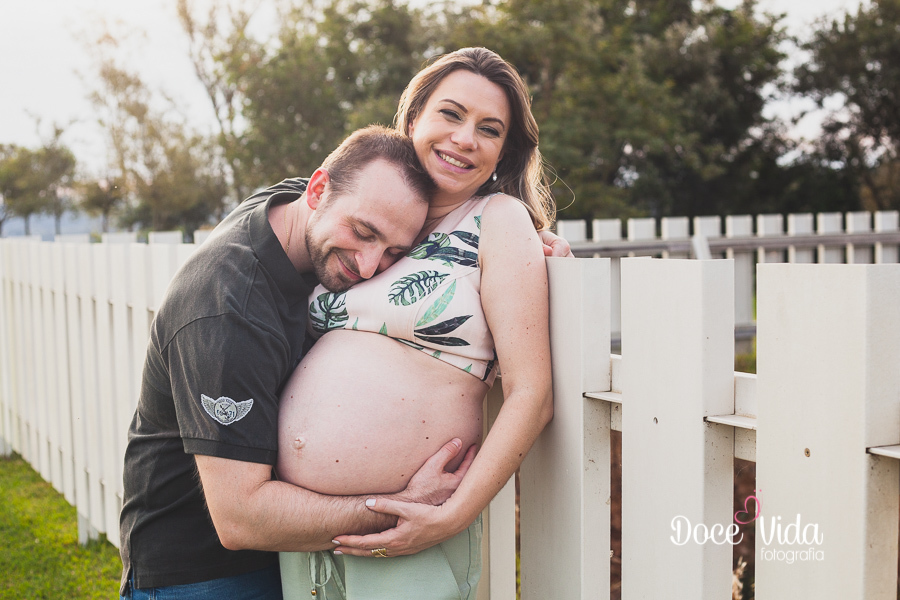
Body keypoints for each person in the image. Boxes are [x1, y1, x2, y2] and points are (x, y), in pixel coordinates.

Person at [117, 126, 477, 600]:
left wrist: (521, 238)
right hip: (201, 575)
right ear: (317, 189)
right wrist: (402, 507)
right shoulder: (229, 309)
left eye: (393, 252)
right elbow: (241, 519)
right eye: (364, 233)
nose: (369, 266)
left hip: (284, 557)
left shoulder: (292, 207)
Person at [276, 47, 556, 599]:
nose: (465, 138)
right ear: (413, 120)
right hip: (304, 529)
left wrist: (452, 516)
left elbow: (532, 393)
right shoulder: (371, 213)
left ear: (503, 152)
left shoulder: (497, 221)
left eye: (489, 129)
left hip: (411, 529)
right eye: (450, 114)